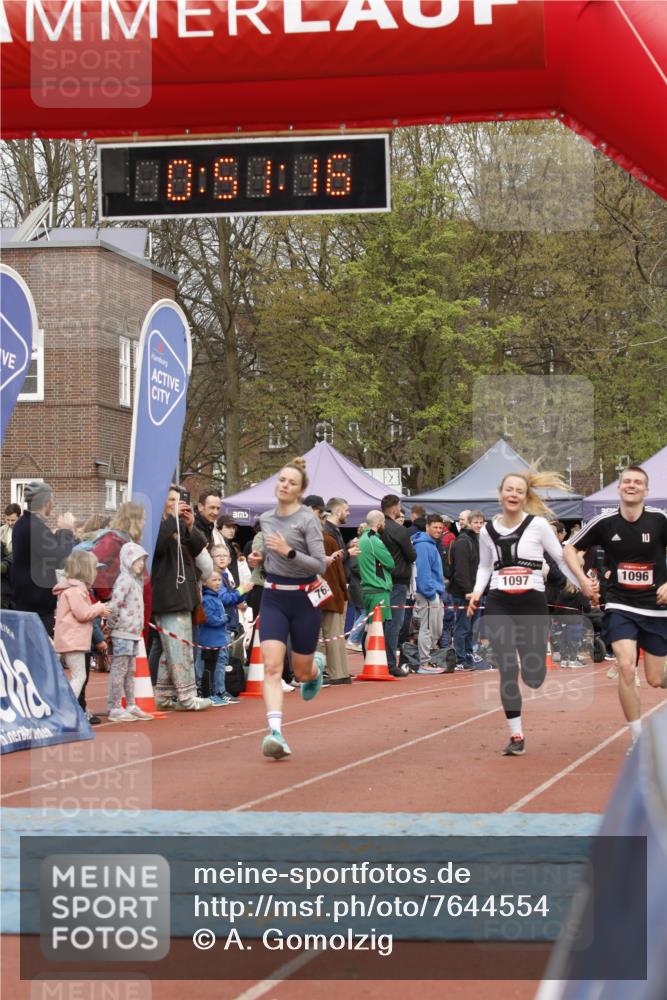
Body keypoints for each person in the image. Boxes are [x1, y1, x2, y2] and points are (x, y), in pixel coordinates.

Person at [468, 470, 580, 756]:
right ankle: (516, 735)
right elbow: (483, 566)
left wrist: (584, 584)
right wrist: (478, 591)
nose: (514, 494)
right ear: (500, 494)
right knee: (507, 668)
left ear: (525, 496)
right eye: (509, 489)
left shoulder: (538, 525)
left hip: (531, 602)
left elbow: (559, 557)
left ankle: (533, 671)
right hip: (499, 603)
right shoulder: (487, 531)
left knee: (533, 677)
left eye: (519, 490)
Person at [563, 465, 667, 753]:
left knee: (656, 679)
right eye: (627, 482)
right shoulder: (604, 522)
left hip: (656, 608)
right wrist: (582, 580)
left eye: (638, 482)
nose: (632, 486)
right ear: (619, 488)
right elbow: (569, 549)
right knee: (624, 666)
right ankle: (637, 737)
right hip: (621, 604)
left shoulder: (660, 520)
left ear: (646, 490)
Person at [248, 458, 329, 760]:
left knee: (301, 671)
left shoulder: (308, 520)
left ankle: (315, 670)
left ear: (300, 490)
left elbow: (319, 564)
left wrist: (289, 552)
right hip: (274, 598)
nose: (284, 485)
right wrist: (260, 559)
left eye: (291, 483)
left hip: (305, 599)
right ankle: (275, 733)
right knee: (271, 666)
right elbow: (270, 556)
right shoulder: (266, 518)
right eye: (281, 480)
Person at [151, 485, 211, 711]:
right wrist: (172, 520)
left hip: (183, 594)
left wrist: (190, 525)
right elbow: (154, 549)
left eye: (179, 500)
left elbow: (197, 549)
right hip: (168, 596)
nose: (178, 504)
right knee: (180, 648)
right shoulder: (157, 526)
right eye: (172, 500)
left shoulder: (177, 527)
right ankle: (187, 697)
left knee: (171, 651)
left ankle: (164, 695)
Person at [11, 481, 76, 636]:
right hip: (36, 606)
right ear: (46, 502)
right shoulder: (35, 527)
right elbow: (60, 559)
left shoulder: (23, 523)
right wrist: (66, 531)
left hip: (27, 601)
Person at [304, 495, 351, 685]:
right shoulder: (326, 540)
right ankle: (336, 673)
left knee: (322, 636)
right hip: (328, 593)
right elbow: (336, 574)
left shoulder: (318, 539)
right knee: (332, 636)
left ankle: (324, 672)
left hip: (318, 592)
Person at [106, 542, 154, 722]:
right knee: (120, 670)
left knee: (130, 670)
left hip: (133, 632)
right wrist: (111, 627)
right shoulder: (124, 580)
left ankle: (131, 704)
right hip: (123, 632)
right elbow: (115, 604)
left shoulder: (136, 580)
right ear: (127, 560)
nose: (141, 563)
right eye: (137, 560)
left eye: (142, 560)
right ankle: (114, 707)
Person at [53, 550, 108, 702]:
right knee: (79, 676)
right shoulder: (76, 591)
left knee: (75, 676)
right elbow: (83, 614)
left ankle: (66, 707)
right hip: (73, 641)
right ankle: (67, 708)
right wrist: (99, 608)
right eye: (94, 569)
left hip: (69, 639)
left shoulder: (73, 590)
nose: (96, 573)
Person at [380, 494, 416, 675]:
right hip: (397, 580)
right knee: (394, 623)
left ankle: (377, 659)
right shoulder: (399, 530)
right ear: (395, 509)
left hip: (378, 580)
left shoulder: (376, 529)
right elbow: (412, 556)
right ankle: (390, 664)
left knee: (377, 622)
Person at [198, 570, 243, 705]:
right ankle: (209, 693)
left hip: (218, 640)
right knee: (208, 668)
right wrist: (224, 619)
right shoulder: (207, 599)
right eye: (214, 580)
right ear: (205, 582)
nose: (217, 583)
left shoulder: (215, 598)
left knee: (218, 665)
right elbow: (209, 619)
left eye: (219, 580)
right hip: (209, 641)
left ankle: (219, 691)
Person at [448, 509, 486, 669]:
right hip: (465, 593)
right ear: (469, 523)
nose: (478, 525)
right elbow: (461, 571)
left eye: (480, 522)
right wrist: (469, 591)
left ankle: (468, 655)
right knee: (463, 626)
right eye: (475, 522)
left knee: (471, 628)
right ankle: (460, 658)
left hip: (476, 591)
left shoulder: (477, 540)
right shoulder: (463, 541)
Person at [412, 514, 447, 674]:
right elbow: (423, 572)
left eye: (440, 527)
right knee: (427, 628)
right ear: (427, 527)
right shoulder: (424, 546)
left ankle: (427, 659)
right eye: (435, 527)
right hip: (427, 594)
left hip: (433, 592)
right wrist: (431, 594)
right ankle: (424, 662)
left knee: (435, 629)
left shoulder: (431, 544)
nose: (439, 530)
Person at [358, 510, 395, 649]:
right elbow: (391, 563)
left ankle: (369, 662)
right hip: (378, 590)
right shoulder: (373, 540)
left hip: (369, 589)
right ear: (379, 524)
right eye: (384, 522)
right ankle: (371, 664)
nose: (385, 524)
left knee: (370, 629)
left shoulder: (363, 538)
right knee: (375, 631)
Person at [0, 503, 21, 609]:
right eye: (7, 520)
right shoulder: (2, 530)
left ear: (19, 517)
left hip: (17, 575)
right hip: (5, 579)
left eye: (13, 520)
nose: (9, 523)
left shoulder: (23, 531)